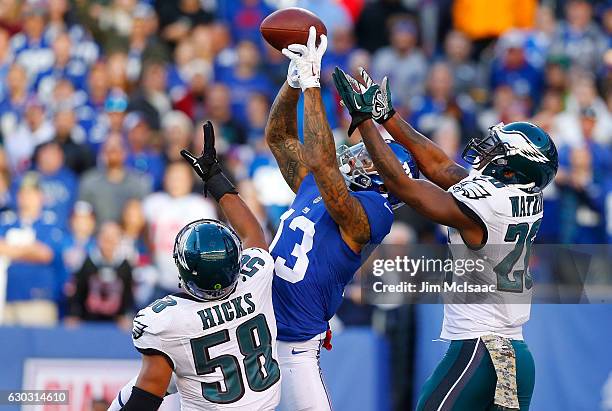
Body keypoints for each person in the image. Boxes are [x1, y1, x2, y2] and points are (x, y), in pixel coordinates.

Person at [333, 67, 559, 410]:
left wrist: (365, 123)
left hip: (480, 352)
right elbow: (440, 167)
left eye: (495, 152)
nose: (485, 154)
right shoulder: (521, 195)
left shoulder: (491, 204)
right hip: (515, 355)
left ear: (511, 170)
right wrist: (388, 118)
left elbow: (406, 187)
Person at [267, 27, 417, 410]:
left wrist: (314, 82)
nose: (357, 156)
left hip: (295, 345)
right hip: (254, 325)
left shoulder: (373, 214)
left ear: (386, 177)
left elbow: (321, 160)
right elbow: (278, 137)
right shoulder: (319, 185)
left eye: (369, 157)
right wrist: (293, 82)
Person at [110, 122, 280, 410]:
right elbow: (253, 233)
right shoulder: (257, 276)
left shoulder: (168, 320)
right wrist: (215, 177)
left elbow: (146, 397)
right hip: (265, 403)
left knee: (134, 391)